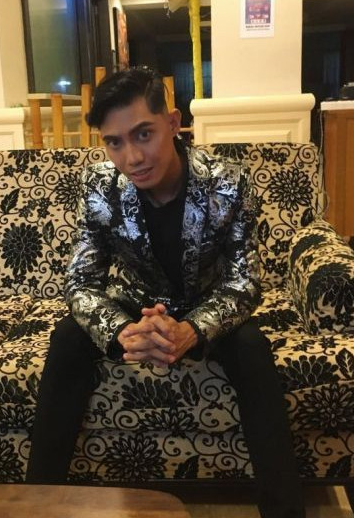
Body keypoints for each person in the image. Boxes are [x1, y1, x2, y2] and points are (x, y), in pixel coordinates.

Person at [26, 67, 305, 518]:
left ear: (173, 124)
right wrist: (123, 332)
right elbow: (80, 281)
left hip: (206, 305)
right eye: (115, 142)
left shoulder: (226, 182)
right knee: (67, 338)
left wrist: (191, 329)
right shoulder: (100, 186)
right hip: (131, 304)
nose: (132, 157)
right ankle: (37, 506)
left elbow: (244, 281)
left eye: (144, 134)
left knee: (253, 348)